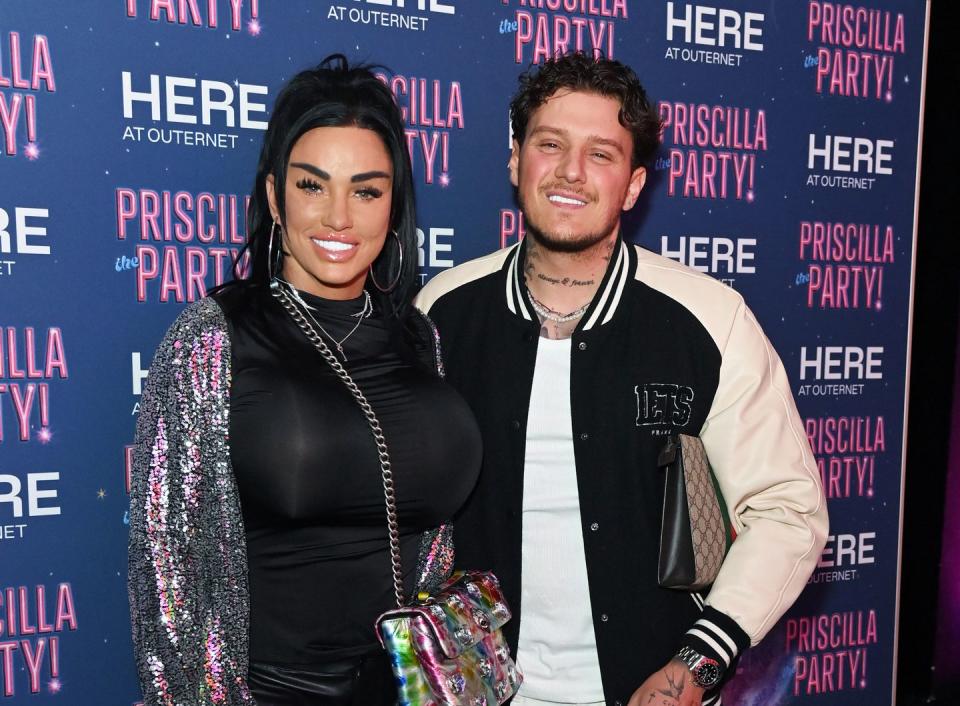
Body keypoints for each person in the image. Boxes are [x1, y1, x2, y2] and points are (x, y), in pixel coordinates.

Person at [415, 52, 829, 706]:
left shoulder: (708, 318)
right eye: (550, 144)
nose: (571, 172)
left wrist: (696, 663)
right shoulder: (441, 310)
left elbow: (788, 511)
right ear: (515, 158)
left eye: (602, 154)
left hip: (652, 687)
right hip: (478, 690)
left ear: (634, 186)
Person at [128, 55, 482, 706]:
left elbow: (433, 541)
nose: (339, 217)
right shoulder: (216, 337)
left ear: (393, 204)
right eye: (313, 186)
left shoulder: (419, 337)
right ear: (273, 197)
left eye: (367, 190)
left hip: (414, 691)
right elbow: (167, 563)